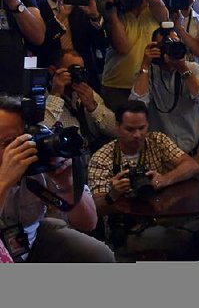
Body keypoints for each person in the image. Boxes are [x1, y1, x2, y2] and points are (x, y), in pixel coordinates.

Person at [0, 95, 114, 262]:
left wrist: (67, 186)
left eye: (22, 139)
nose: (18, 148)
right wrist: (5, 181)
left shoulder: (38, 158)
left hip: (31, 239)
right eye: (8, 142)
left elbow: (88, 223)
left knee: (98, 254)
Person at [88, 100, 199, 208]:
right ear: (118, 126)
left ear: (148, 124)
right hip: (123, 220)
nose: (137, 135)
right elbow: (96, 209)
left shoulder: (157, 140)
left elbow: (193, 166)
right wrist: (113, 195)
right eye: (130, 129)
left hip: (156, 210)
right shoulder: (101, 158)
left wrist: (163, 180)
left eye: (141, 128)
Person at [129, 25, 199, 154]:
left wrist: (183, 68)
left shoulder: (193, 69)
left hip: (190, 149)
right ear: (155, 48)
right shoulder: (147, 73)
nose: (171, 48)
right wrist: (145, 65)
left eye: (175, 43)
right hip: (159, 153)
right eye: (165, 45)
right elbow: (137, 106)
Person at [99, 0, 169, 112]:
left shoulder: (154, 12)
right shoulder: (117, 13)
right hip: (116, 86)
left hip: (149, 85)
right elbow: (122, 47)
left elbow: (157, 1)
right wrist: (113, 14)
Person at [31, 0, 107, 92]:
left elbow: (102, 44)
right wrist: (60, 18)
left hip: (85, 78)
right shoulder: (35, 11)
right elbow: (39, 47)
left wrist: (95, 17)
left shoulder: (83, 8)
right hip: (51, 81)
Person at [44, 49, 116, 153]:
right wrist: (56, 95)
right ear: (53, 71)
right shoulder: (42, 98)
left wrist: (93, 107)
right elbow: (44, 130)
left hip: (90, 155)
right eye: (72, 71)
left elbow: (114, 130)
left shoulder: (87, 93)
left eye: (81, 71)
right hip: (63, 159)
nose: (77, 76)